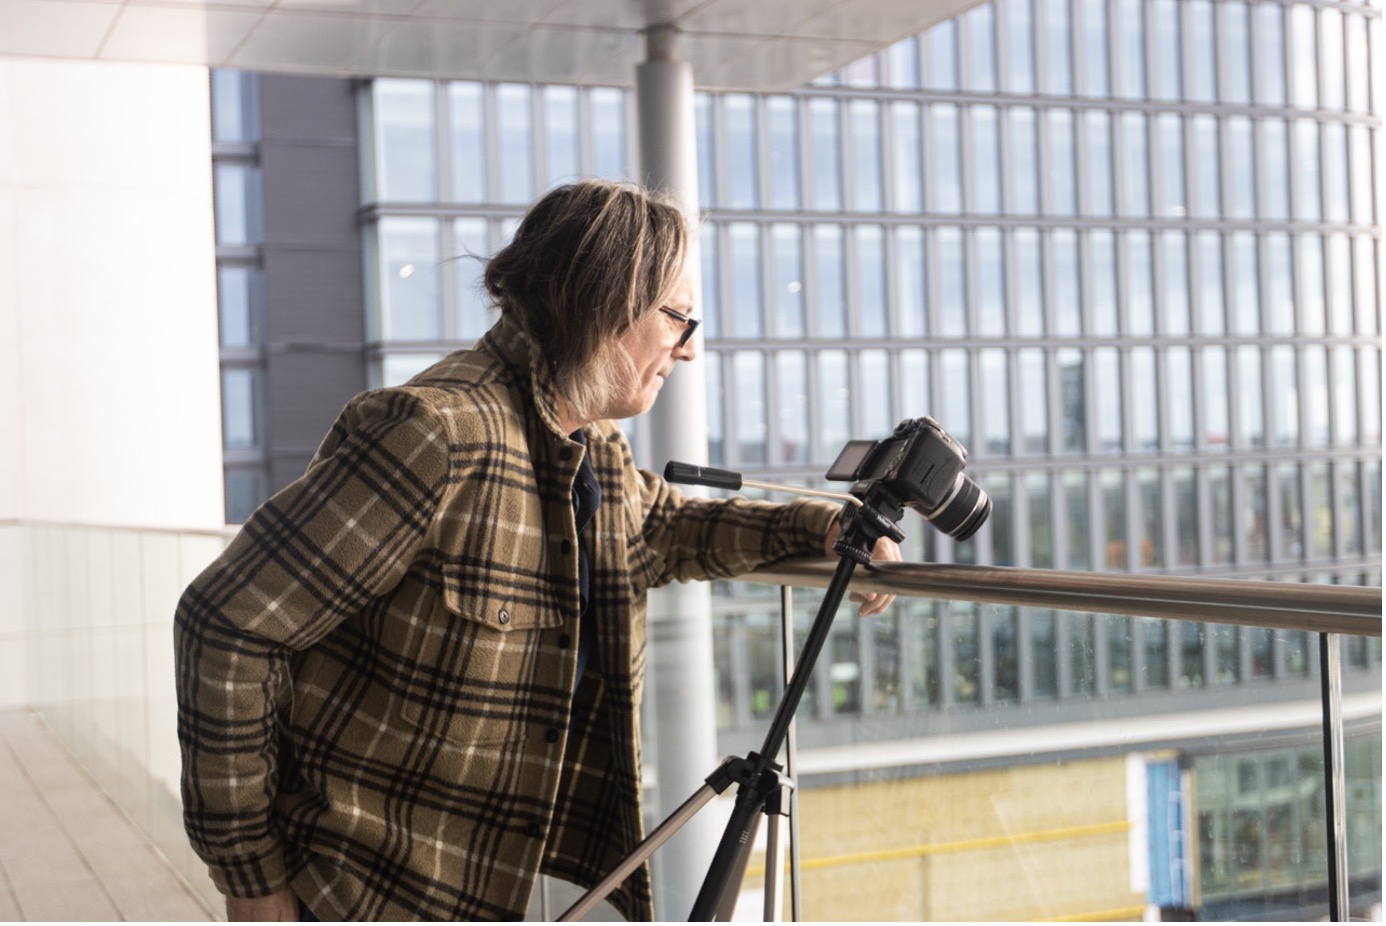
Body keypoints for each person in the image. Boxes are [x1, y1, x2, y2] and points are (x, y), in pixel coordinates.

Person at [175, 179, 899, 922]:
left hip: (494, 888)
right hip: (363, 895)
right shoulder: (435, 435)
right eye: (677, 318)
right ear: (603, 303)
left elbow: (663, 528)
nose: (688, 350)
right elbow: (225, 625)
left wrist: (826, 528)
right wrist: (252, 881)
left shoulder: (591, 448)